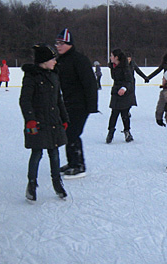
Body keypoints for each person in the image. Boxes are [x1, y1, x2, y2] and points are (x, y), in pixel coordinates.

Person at [19, 43, 69, 201]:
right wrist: (30, 120)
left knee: (54, 153)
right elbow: (25, 100)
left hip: (54, 121)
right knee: (37, 153)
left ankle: (57, 183)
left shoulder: (54, 75)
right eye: (53, 59)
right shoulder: (31, 77)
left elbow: (59, 100)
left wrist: (64, 118)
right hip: (38, 123)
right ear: (44, 61)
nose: (55, 62)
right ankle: (32, 185)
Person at [55, 28, 98, 179]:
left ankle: (79, 165)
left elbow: (90, 83)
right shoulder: (59, 60)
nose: (58, 46)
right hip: (66, 104)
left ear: (69, 44)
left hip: (80, 105)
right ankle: (72, 162)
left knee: (73, 133)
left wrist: (92, 106)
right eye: (57, 43)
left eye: (61, 43)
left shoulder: (79, 60)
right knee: (67, 134)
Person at [106, 49, 136, 144]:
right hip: (116, 92)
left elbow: (129, 80)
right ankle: (110, 132)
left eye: (111, 56)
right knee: (114, 113)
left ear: (116, 57)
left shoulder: (125, 67)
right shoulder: (113, 66)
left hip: (124, 94)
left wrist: (124, 88)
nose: (110, 57)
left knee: (124, 113)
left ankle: (127, 132)